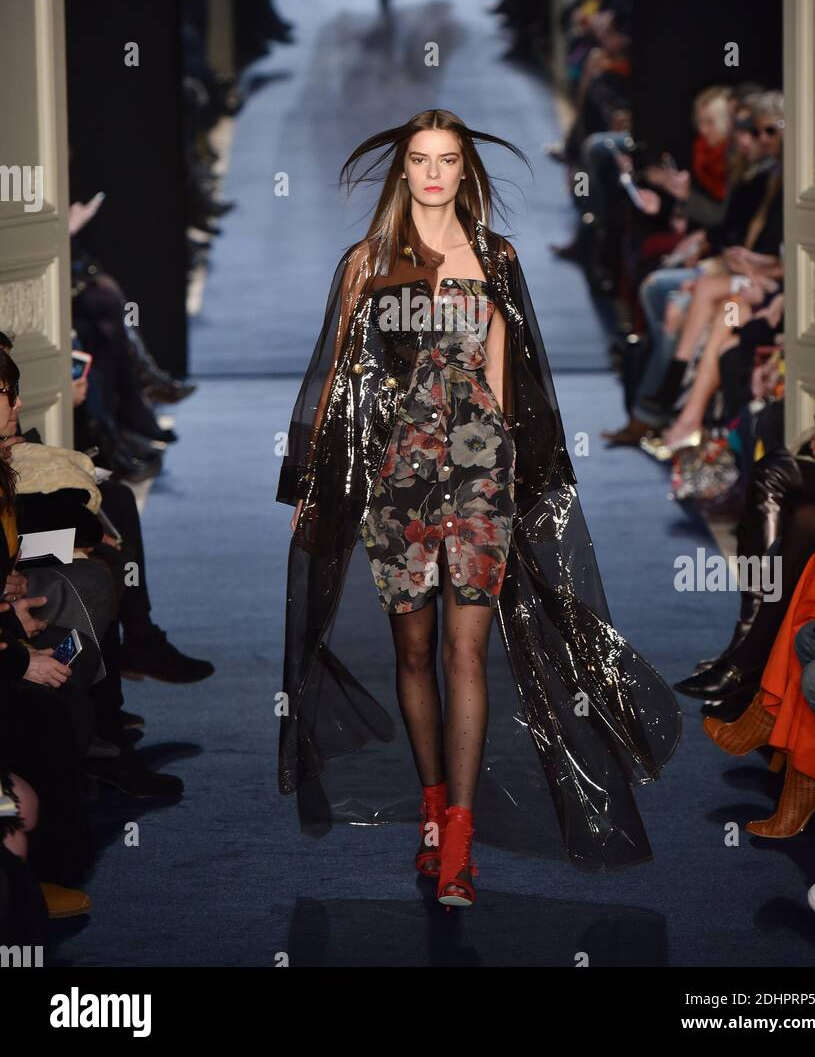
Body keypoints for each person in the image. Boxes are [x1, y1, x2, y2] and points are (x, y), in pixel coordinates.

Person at [276, 108, 681, 911]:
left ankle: (459, 837)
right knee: (416, 652)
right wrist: (314, 488)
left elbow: (512, 382)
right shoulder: (367, 263)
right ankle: (431, 812)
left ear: (466, 171)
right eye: (420, 160)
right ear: (404, 172)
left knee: (466, 652)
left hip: (479, 479)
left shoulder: (498, 259)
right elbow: (334, 383)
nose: (432, 173)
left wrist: (528, 486)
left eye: (447, 160)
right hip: (396, 482)